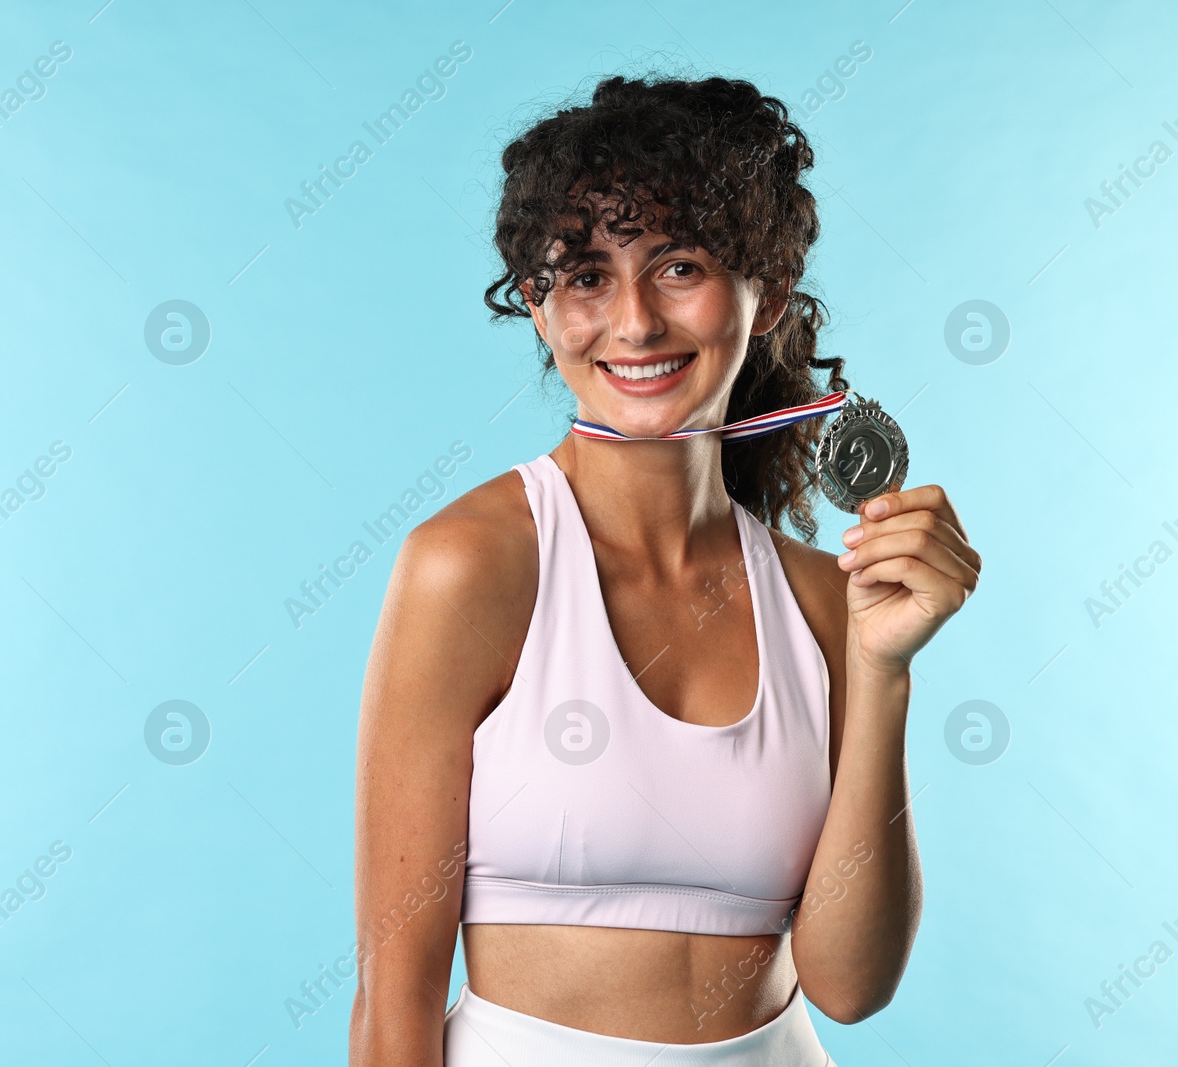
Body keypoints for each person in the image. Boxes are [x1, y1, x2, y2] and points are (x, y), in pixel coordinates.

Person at [348, 74, 981, 1066]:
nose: (635, 322)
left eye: (678, 265)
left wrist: (885, 667)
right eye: (588, 274)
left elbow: (851, 986)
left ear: (764, 290)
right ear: (539, 307)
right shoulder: (470, 564)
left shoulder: (825, 597)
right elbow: (391, 1007)